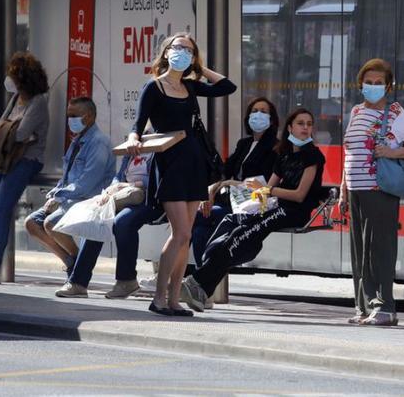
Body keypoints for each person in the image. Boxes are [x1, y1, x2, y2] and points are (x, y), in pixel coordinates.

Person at [123, 33, 236, 316]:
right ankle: (158, 298)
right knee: (181, 232)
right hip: (170, 164)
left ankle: (173, 300)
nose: (182, 52)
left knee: (185, 237)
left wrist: (199, 67)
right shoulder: (154, 87)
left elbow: (227, 86)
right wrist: (133, 139)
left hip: (194, 164)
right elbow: (137, 125)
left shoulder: (191, 86)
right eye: (178, 47)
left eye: (188, 49)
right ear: (166, 52)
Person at [181, 108, 325, 313]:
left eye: (309, 124)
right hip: (274, 206)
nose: (305, 128)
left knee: (243, 234)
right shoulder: (283, 154)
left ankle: (197, 283)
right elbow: (266, 190)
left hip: (294, 211)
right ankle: (202, 288)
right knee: (231, 223)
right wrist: (244, 188)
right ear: (290, 127)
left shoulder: (313, 156)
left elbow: (299, 195)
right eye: (300, 123)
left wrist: (268, 190)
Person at [340, 58, 404, 326]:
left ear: (388, 87)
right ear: (360, 84)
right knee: (359, 249)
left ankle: (385, 306)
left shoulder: (395, 112)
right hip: (355, 188)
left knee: (380, 247)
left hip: (379, 187)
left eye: (379, 83)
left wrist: (391, 151)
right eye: (369, 82)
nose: (373, 87)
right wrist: (343, 189)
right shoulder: (355, 112)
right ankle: (364, 306)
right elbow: (349, 152)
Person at [0, 51, 50, 284]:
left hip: (27, 160)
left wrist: (10, 133)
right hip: (8, 159)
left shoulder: (38, 102)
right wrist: (11, 133)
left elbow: (20, 133)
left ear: (23, 78)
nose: (8, 80)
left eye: (12, 76)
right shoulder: (16, 99)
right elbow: (1, 129)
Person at [25, 97, 114, 271]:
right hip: (69, 200)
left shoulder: (99, 143)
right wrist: (54, 193)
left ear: (88, 117)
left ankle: (77, 263)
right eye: (68, 115)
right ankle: (71, 261)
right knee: (31, 223)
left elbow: (87, 184)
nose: (69, 120)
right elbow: (66, 178)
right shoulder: (76, 142)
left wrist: (59, 197)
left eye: (74, 115)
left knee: (51, 223)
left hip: (88, 201)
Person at [191, 97, 280, 269]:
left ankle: (197, 274)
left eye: (263, 111)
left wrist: (233, 183)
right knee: (199, 230)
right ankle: (202, 273)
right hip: (230, 199)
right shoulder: (244, 144)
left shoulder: (276, 147)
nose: (258, 115)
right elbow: (225, 171)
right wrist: (212, 190)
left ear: (272, 119)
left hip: (250, 204)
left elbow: (264, 181)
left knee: (198, 216)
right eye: (254, 111)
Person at [54, 153, 157, 299]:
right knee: (97, 217)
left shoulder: (159, 147)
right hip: (123, 195)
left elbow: (157, 180)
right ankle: (78, 282)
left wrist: (130, 185)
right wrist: (112, 189)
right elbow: (119, 175)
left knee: (123, 222)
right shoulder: (134, 147)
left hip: (148, 198)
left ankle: (126, 280)